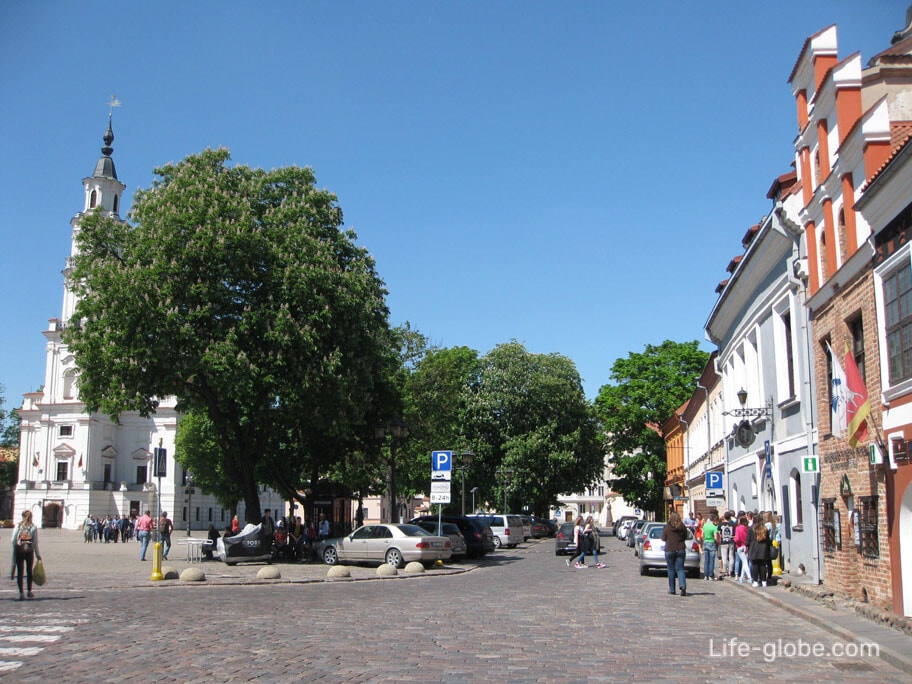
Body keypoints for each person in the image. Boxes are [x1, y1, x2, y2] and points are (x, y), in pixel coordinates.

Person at [10, 510, 42, 600]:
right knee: (29, 571)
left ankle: (21, 593)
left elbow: (13, 539)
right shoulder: (33, 527)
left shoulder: (18, 526)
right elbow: (35, 542)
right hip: (29, 551)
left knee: (20, 572)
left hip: (19, 550)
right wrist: (38, 554)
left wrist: (15, 547)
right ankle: (29, 591)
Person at [661, 511, 688, 597]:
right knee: (680, 569)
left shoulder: (667, 527)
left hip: (670, 549)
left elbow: (663, 538)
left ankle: (672, 589)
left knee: (671, 569)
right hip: (680, 549)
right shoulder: (682, 527)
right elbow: (685, 537)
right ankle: (682, 586)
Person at [748, 517, 771, 587]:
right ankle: (764, 581)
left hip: (754, 548)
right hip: (763, 549)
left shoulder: (752, 529)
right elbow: (768, 540)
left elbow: (748, 540)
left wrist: (747, 546)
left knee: (755, 565)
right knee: (762, 565)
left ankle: (755, 581)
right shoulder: (765, 529)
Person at [701, 512, 720, 580]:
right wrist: (718, 542)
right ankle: (710, 575)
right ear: (714, 520)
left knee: (706, 560)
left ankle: (706, 575)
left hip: (705, 542)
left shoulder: (705, 526)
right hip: (712, 543)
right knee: (712, 560)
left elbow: (702, 535)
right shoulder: (714, 527)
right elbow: (715, 537)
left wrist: (704, 541)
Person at [734, 514, 752, 583]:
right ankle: (741, 577)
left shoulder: (738, 528)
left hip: (740, 546)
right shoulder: (747, 528)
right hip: (746, 546)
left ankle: (749, 577)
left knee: (745, 562)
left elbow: (737, 539)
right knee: (745, 562)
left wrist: (734, 539)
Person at [718, 511, 736, 578]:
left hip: (723, 542)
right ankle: (731, 571)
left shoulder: (721, 525)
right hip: (731, 542)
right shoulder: (733, 525)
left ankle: (725, 571)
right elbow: (734, 535)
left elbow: (719, 534)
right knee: (731, 557)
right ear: (730, 517)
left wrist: (719, 541)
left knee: (724, 557)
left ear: (724, 517)